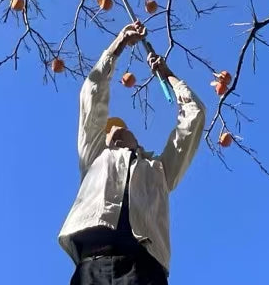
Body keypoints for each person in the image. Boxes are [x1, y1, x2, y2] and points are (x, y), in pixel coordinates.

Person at [58, 20, 203, 284]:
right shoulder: (94, 157)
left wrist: (168, 75)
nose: (112, 131)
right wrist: (119, 44)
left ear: (136, 138)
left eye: (119, 127)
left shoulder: (159, 170)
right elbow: (91, 93)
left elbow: (194, 116)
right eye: (108, 130)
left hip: (144, 269)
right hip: (91, 268)